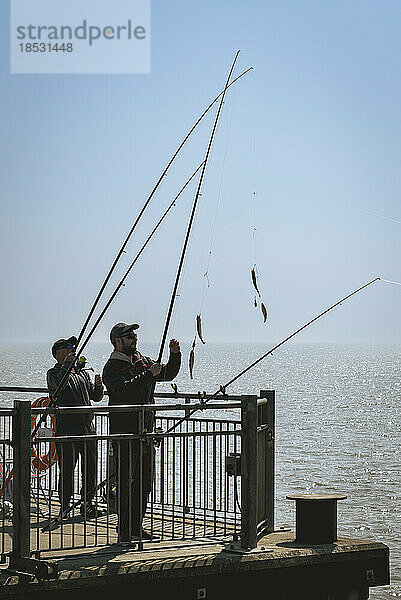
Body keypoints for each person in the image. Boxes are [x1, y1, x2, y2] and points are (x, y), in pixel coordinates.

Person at [102, 322, 181, 542]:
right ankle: (124, 529)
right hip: (125, 433)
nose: (134, 338)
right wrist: (148, 375)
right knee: (126, 482)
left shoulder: (143, 361)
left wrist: (174, 356)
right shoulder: (111, 368)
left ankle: (136, 527)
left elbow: (167, 374)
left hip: (146, 432)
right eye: (128, 336)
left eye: (134, 335)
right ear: (118, 341)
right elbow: (123, 391)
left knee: (144, 483)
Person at [47, 336, 104, 518]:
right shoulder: (53, 373)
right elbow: (59, 388)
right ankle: (64, 505)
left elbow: (95, 397)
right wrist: (66, 365)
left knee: (90, 468)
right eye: (67, 348)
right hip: (67, 429)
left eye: (73, 347)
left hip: (87, 428)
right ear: (58, 354)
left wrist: (98, 387)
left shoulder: (81, 373)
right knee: (67, 469)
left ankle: (87, 503)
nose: (72, 350)